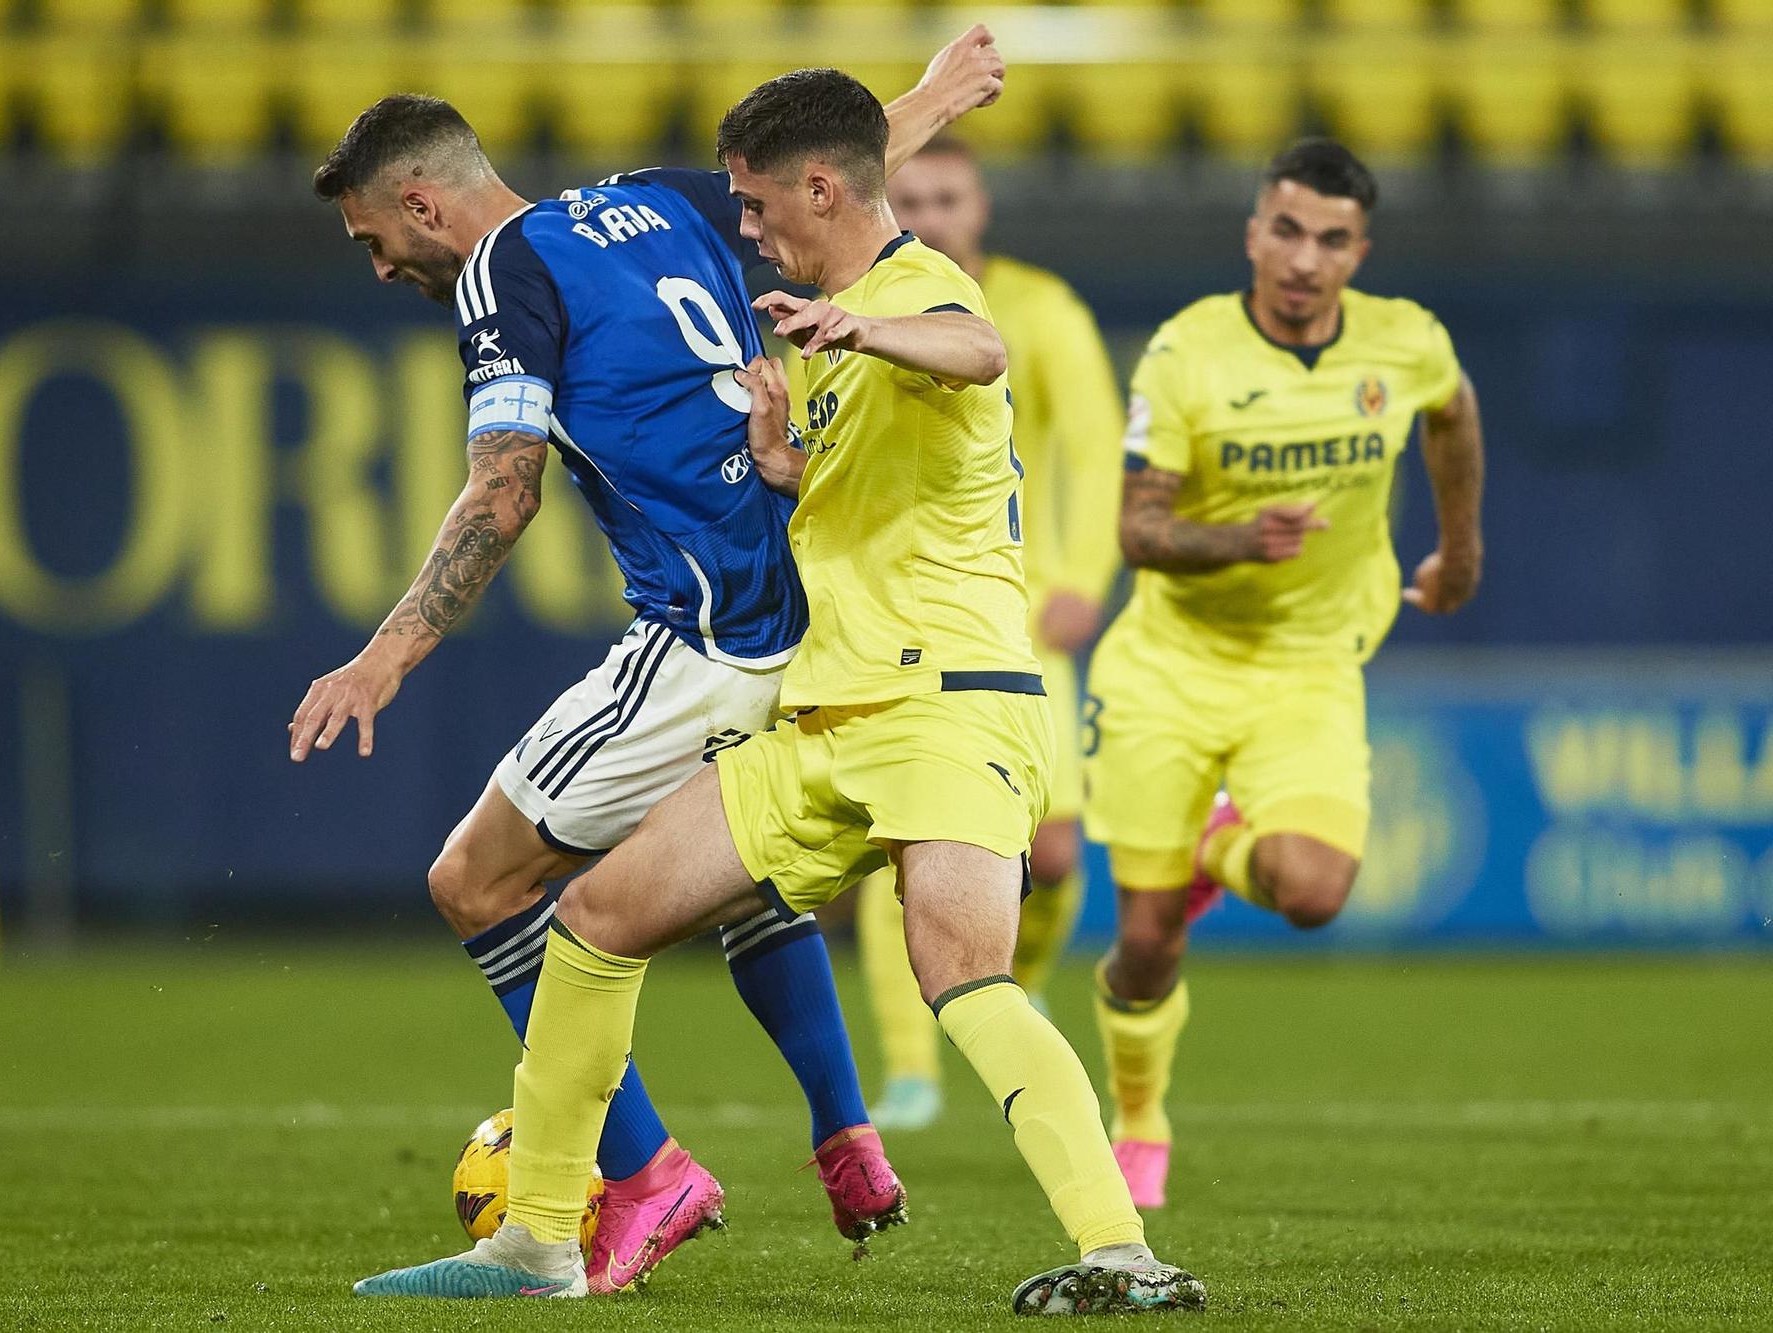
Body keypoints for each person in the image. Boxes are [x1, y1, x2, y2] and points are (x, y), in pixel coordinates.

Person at [350, 67, 1206, 1315]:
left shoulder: (909, 294)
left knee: (960, 970)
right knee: (597, 920)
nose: (741, 229)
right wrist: (781, 460)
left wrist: (868, 330)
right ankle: (538, 1239)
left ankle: (1119, 1254)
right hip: (824, 714)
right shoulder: (824, 327)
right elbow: (866, 496)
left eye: (754, 207)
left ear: (817, 194)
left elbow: (977, 350)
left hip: (944, 705)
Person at [288, 29, 1008, 1292]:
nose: (382, 266)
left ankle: (640, 1174)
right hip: (807, 598)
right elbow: (814, 173)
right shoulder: (653, 200)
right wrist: (932, 98)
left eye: (372, 240)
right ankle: (845, 1135)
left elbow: (500, 496)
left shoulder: (498, 274)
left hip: (706, 630)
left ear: (417, 200)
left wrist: (381, 659)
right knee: (730, 871)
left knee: (477, 879)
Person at [1085, 138, 1485, 1210]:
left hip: (1307, 666)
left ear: (1360, 250)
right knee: (1141, 940)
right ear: (1252, 233)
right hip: (1170, 666)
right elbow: (1139, 529)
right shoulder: (1185, 356)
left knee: (1313, 889)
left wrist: (1460, 548)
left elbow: (1449, 413)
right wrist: (1239, 539)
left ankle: (1217, 840)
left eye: (1332, 239)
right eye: (1287, 230)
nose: (1305, 259)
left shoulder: (1403, 344)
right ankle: (1137, 1119)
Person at [853, 135, 1126, 1131]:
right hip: (901, 618)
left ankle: (1017, 978)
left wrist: (1085, 574)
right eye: (910, 198)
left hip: (1019, 610)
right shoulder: (859, 310)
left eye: (947, 197)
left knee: (1051, 853)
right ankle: (912, 1068)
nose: (929, 216)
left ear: (980, 205)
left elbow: (1096, 450)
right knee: (912, 839)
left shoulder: (1039, 310)